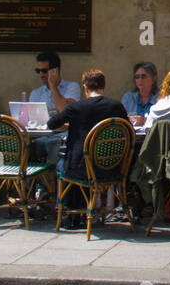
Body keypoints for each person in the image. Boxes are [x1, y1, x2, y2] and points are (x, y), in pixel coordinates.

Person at [49, 69, 126, 229]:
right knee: (76, 160)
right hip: (111, 167)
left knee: (64, 163)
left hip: (81, 169)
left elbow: (52, 124)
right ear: (104, 87)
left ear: (85, 87)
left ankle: (71, 213)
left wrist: (69, 119)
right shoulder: (116, 107)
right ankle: (83, 212)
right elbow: (128, 129)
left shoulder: (76, 107)